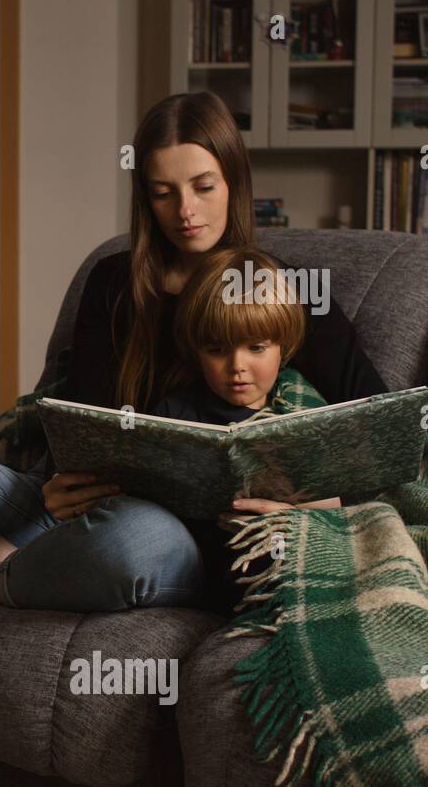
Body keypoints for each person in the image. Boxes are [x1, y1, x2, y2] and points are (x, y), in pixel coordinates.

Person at [0, 90, 387, 612]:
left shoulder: (286, 292)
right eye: (162, 193)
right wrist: (53, 484)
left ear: (235, 181)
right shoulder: (114, 281)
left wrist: (332, 498)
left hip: (163, 536)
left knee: (133, 544)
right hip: (57, 507)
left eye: (204, 186)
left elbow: (387, 428)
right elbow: (76, 416)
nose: (187, 212)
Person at [146, 244, 346, 614]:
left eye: (256, 347)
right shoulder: (176, 411)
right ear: (196, 351)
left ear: (282, 348)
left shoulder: (304, 409)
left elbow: (342, 502)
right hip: (205, 559)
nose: (237, 365)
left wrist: (294, 513)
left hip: (286, 543)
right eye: (216, 350)